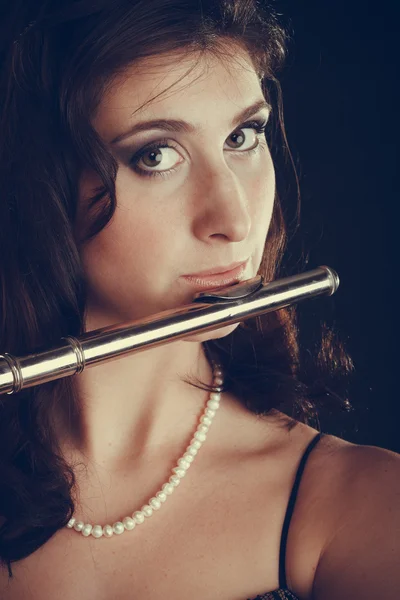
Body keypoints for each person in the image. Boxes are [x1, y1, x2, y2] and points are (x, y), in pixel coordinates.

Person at [0, 1, 399, 598]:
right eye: (155, 155)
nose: (235, 219)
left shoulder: (360, 505)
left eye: (243, 137)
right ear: (38, 189)